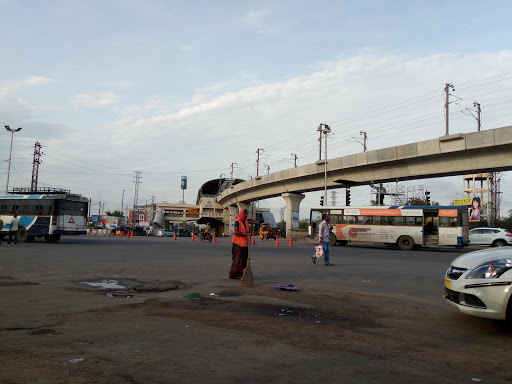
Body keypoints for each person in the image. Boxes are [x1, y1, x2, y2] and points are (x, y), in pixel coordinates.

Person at [229, 209, 253, 279]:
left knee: (244, 259)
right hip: (237, 243)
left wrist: (252, 223)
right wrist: (245, 234)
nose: (246, 215)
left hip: (244, 243)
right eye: (245, 214)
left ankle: (239, 273)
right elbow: (236, 231)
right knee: (238, 259)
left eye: (247, 214)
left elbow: (250, 231)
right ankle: (234, 273)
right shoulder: (237, 221)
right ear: (242, 214)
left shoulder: (246, 222)